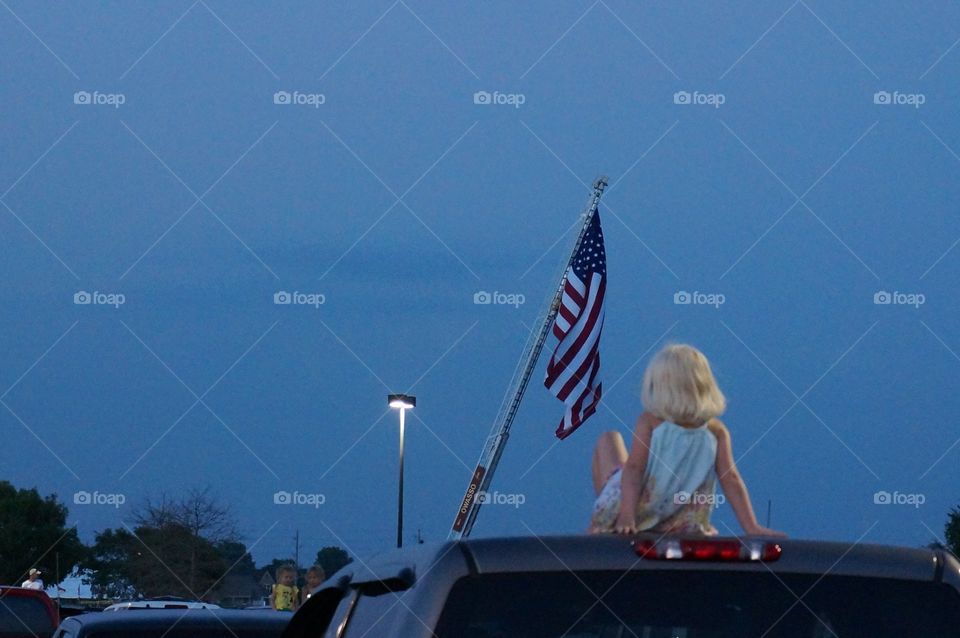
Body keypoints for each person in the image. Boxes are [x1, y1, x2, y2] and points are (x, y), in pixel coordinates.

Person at [590, 343, 786, 537]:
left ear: (659, 387)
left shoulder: (650, 421)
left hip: (633, 508)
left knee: (609, 439)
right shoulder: (716, 431)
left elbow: (634, 470)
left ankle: (604, 518)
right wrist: (752, 526)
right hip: (681, 521)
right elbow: (731, 479)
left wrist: (627, 516)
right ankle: (609, 515)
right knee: (617, 455)